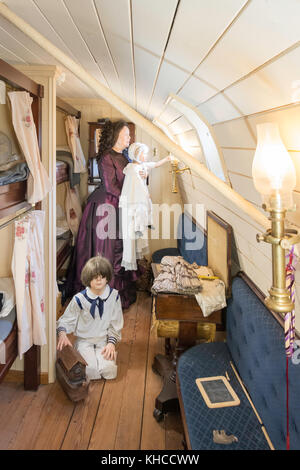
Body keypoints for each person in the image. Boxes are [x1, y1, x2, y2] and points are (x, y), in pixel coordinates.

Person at [66, 120, 144, 309]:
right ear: (116, 136)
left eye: (129, 135)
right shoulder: (106, 158)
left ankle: (116, 293)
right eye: (126, 135)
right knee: (109, 250)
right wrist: (131, 197)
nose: (129, 138)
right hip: (105, 208)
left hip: (120, 205)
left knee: (120, 248)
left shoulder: (125, 156)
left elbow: (129, 180)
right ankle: (103, 296)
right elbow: (111, 187)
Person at [57, 256, 123, 381]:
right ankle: (82, 351)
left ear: (107, 277)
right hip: (84, 341)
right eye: (94, 277)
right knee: (91, 371)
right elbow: (66, 319)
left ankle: (106, 356)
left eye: (102, 276)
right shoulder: (79, 299)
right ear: (88, 278)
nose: (99, 280)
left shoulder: (114, 296)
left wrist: (111, 343)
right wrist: (62, 333)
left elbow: (116, 322)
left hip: (103, 340)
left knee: (109, 372)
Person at [119, 143, 171, 271]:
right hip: (133, 203)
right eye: (144, 154)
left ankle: (135, 258)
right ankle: (130, 260)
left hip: (138, 202)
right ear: (136, 155)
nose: (146, 156)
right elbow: (137, 185)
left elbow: (155, 164)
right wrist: (146, 195)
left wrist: (167, 159)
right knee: (131, 233)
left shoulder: (141, 166)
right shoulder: (132, 168)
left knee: (137, 231)